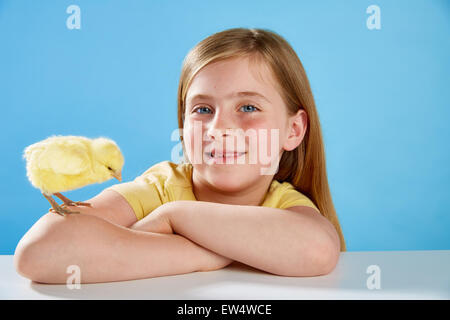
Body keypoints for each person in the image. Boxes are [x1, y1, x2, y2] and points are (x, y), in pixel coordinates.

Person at [14, 27, 346, 284]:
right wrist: (207, 254)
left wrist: (176, 216)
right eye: (203, 109)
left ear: (293, 130)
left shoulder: (284, 204)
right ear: (183, 124)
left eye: (248, 107)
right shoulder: (158, 188)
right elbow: (40, 253)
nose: (219, 127)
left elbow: (318, 250)